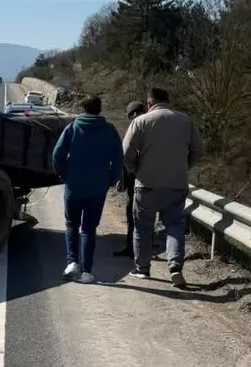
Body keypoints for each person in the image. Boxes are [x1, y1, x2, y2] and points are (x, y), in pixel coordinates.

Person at [121, 87, 204, 290]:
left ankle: (142, 268)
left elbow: (126, 152)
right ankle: (175, 265)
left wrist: (135, 170)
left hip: (146, 184)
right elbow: (198, 149)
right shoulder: (185, 120)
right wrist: (184, 167)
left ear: (149, 103)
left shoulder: (140, 121)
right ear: (168, 100)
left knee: (143, 227)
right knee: (174, 226)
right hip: (176, 184)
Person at [51, 95, 123, 283]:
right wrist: (110, 180)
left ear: (83, 109)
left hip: (74, 186)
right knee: (89, 229)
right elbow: (118, 160)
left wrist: (63, 174)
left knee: (71, 224)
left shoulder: (73, 128)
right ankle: (86, 272)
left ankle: (71, 262)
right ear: (100, 109)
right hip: (98, 187)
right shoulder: (109, 130)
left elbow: (57, 155)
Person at [113, 100, 146, 258]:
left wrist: (123, 178)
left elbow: (127, 156)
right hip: (156, 179)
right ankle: (143, 247)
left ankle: (132, 249)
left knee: (133, 215)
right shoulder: (153, 125)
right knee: (147, 217)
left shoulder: (136, 127)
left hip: (137, 181)